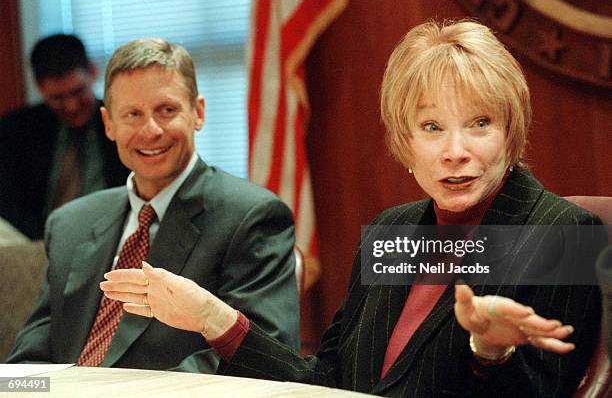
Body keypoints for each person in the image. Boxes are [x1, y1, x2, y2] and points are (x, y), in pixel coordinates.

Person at [100, 21, 605, 396]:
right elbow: (328, 383)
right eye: (432, 127)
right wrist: (211, 317)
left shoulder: (561, 234)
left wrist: (491, 353)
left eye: (479, 123)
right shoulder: (396, 232)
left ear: (511, 131)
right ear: (405, 141)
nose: (455, 150)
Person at [7, 38, 299, 372]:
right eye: (132, 114)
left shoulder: (251, 216)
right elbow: (28, 364)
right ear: (109, 124)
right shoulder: (70, 223)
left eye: (167, 110)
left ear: (198, 113)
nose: (151, 130)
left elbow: (262, 354)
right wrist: (22, 391)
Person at [0, 34, 130, 240]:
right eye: (58, 98)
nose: (71, 106)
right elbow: (7, 204)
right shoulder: (15, 130)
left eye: (78, 92)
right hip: (39, 240)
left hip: (109, 237)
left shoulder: (124, 124)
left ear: (93, 72)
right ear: (40, 87)